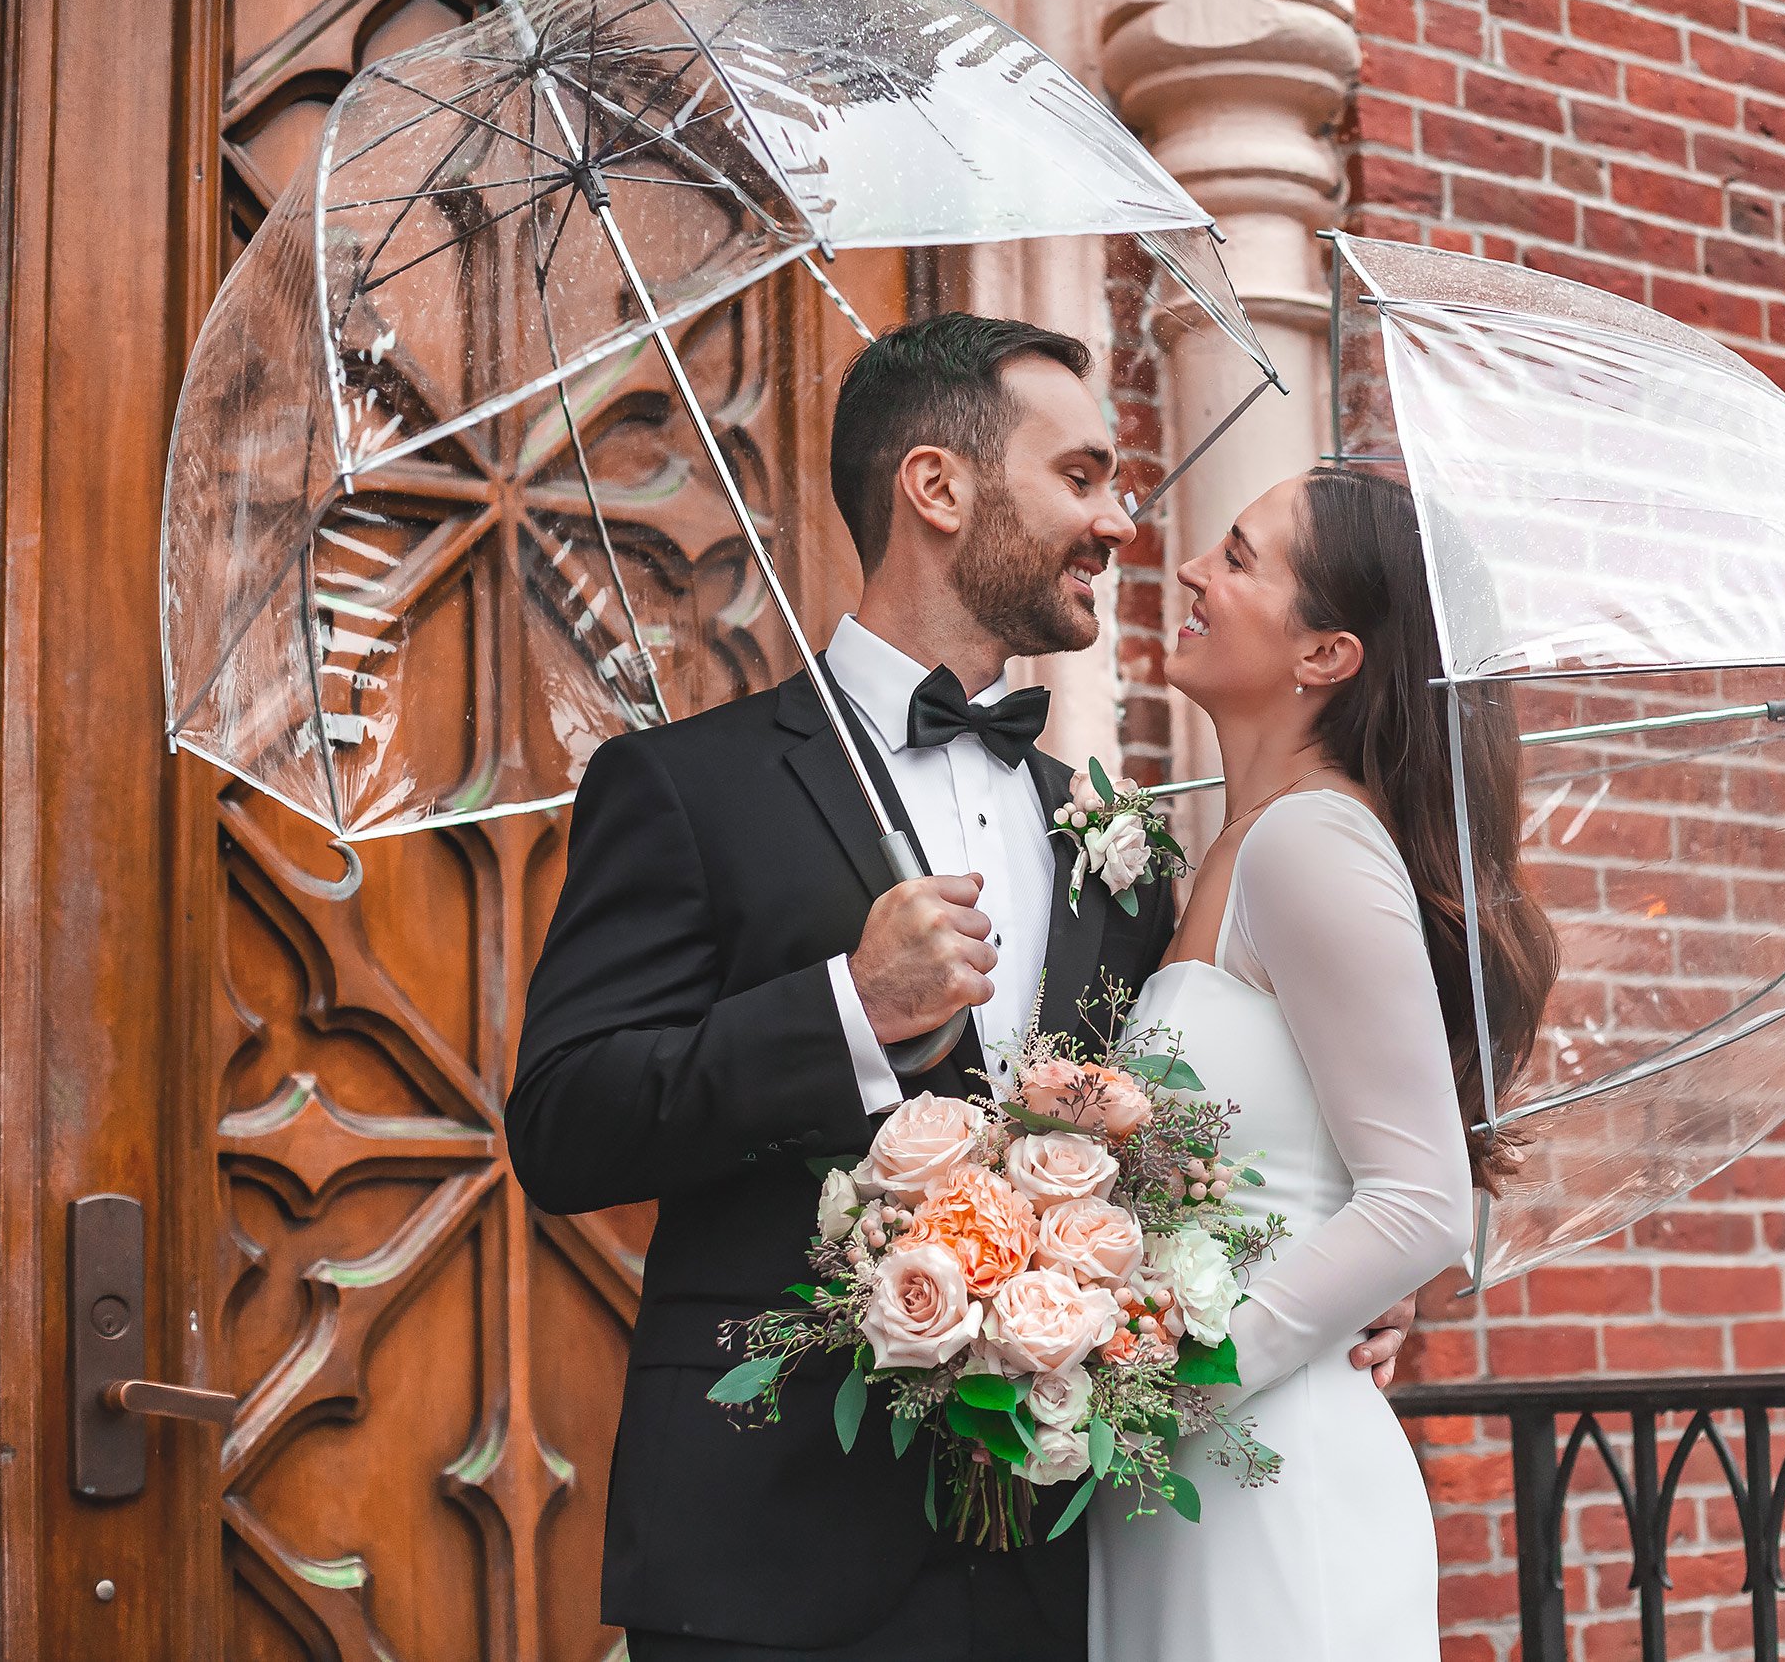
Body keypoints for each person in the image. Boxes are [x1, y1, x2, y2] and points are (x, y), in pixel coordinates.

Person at [504, 313, 1410, 1662]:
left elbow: (1173, 1135)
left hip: (1062, 1550)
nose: (1119, 520)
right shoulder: (687, 788)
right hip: (768, 1554)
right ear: (939, 487)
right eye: (1084, 475)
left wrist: (1319, 1270)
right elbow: (564, 1124)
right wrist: (844, 1007)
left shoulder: (1109, 833)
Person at [1088, 466, 1556, 1661]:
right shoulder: (1230, 852)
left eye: (1239, 558)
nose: (1191, 568)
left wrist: (1167, 1387)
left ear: (1327, 655)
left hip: (1268, 1478)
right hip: (1179, 1483)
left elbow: (1419, 1200)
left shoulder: (1312, 842)